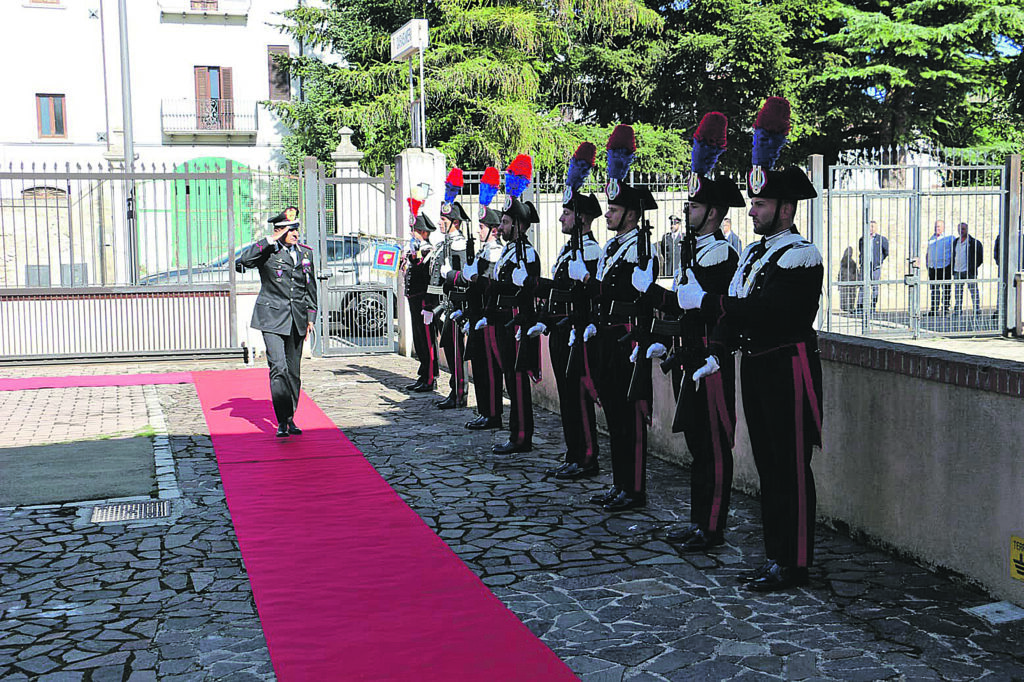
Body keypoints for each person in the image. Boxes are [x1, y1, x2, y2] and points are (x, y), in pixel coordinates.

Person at [676, 97, 823, 591]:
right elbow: (735, 312)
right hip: (758, 367)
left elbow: (767, 312)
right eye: (754, 203)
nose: (753, 210)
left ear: (786, 208)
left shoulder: (801, 254)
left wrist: (706, 302)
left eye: (760, 204)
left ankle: (794, 561)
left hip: (788, 368)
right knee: (767, 466)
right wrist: (716, 352)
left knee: (790, 466)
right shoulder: (757, 255)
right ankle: (776, 555)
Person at [633, 111, 742, 552]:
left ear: (713, 213)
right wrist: (654, 299)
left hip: (710, 362)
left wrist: (711, 350)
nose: (687, 212)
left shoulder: (723, 257)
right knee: (698, 446)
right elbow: (683, 306)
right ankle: (699, 522)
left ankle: (712, 527)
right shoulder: (696, 254)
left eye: (694, 207)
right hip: (688, 358)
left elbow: (719, 312)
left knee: (713, 446)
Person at [571, 124, 659, 512]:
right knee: (613, 415)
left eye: (614, 210)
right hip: (607, 337)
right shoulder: (612, 248)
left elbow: (628, 295)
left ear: (632, 215)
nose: (607, 214)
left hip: (627, 340)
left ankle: (634, 488)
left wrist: (589, 282)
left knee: (629, 418)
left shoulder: (640, 249)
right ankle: (619, 483)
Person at [531, 141, 604, 480]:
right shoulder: (569, 250)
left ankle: (587, 456)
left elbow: (589, 297)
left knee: (578, 395)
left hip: (578, 332)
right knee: (566, 395)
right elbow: (561, 291)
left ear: (582, 219)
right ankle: (574, 452)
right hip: (561, 330)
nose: (561, 217)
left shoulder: (591, 252)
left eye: (567, 213)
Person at [478, 154, 541, 454]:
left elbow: (528, 291)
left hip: (516, 324)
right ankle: (516, 432)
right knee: (509, 379)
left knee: (517, 381)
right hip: (502, 323)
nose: (500, 227)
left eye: (505, 222)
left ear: (518, 225)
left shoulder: (526, 253)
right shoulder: (509, 252)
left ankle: (521, 435)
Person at [235, 207, 318, 438]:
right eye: (291, 230)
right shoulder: (268, 252)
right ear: (279, 231)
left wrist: (311, 317)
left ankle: (290, 417)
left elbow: (310, 287)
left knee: (293, 373)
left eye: (297, 229)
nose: (296, 233)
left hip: (297, 319)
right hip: (271, 318)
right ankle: (282, 420)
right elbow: (244, 261)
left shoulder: (306, 254)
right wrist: (269, 240)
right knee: (278, 368)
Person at [462, 179, 505, 431]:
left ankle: (493, 413)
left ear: (494, 231)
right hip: (476, 316)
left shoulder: (496, 254)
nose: (479, 232)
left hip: (487, 318)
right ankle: (484, 410)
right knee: (478, 366)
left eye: (482, 227)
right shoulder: (482, 252)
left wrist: (475, 278)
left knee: (489, 368)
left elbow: (490, 287)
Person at [433, 176, 470, 409]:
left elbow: (464, 278)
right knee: (448, 346)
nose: (440, 223)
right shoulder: (447, 243)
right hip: (446, 303)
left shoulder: (459, 245)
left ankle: (460, 392)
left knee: (456, 349)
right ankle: (454, 389)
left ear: (455, 223)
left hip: (457, 305)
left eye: (444, 219)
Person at [402, 198, 439, 392]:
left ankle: (430, 377)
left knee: (427, 340)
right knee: (418, 339)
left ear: (424, 233)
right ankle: (423, 374)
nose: (412, 233)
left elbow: (427, 277)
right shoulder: (414, 251)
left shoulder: (428, 251)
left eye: (415, 230)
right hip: (414, 301)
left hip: (424, 302)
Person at [951, 221, 983, 316]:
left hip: (969, 271)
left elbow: (980, 258)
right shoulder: (955, 242)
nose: (961, 231)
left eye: (963, 229)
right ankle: (957, 310)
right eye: (959, 229)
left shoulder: (974, 243)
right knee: (957, 293)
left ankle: (976, 309)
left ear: (967, 230)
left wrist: (972, 267)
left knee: (973, 291)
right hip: (957, 271)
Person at [857, 220, 889, 312]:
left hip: (875, 267)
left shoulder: (881, 239)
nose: (871, 228)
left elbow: (886, 252)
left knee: (875, 286)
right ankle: (860, 307)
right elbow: (861, 250)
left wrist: (879, 261)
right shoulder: (862, 239)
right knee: (863, 285)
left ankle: (872, 306)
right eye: (869, 226)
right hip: (865, 266)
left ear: (876, 228)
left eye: (872, 226)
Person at [925, 220, 953, 315]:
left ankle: (945, 309)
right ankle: (934, 309)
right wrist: (927, 264)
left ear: (943, 227)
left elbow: (954, 252)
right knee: (934, 290)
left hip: (945, 267)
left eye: (939, 226)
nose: (937, 228)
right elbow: (928, 252)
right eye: (936, 226)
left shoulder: (949, 238)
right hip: (933, 268)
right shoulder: (931, 238)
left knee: (946, 289)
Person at [838, 246, 859, 313]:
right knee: (851, 295)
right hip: (850, 280)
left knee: (845, 295)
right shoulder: (850, 262)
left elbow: (840, 273)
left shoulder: (843, 261)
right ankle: (850, 308)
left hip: (846, 281)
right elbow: (856, 272)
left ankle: (846, 307)